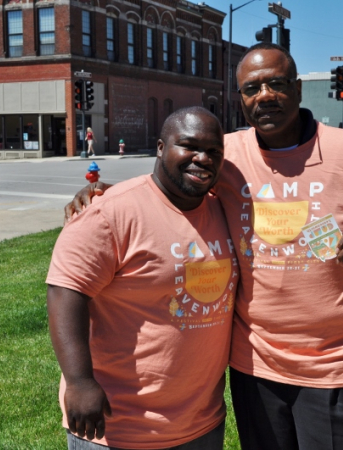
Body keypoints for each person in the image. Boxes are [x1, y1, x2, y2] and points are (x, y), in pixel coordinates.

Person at [66, 44, 343, 450]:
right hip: (254, 367)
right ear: (241, 98)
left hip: (339, 366)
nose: (265, 95)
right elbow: (171, 179)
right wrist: (107, 195)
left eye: (276, 83)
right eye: (252, 88)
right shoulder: (226, 154)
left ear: (298, 88)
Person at [48, 107, 238, 450]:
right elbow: (65, 291)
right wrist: (79, 382)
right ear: (161, 148)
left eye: (213, 151)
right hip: (118, 426)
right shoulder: (109, 213)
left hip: (201, 423)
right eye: (189, 146)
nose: (202, 158)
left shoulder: (221, 208)